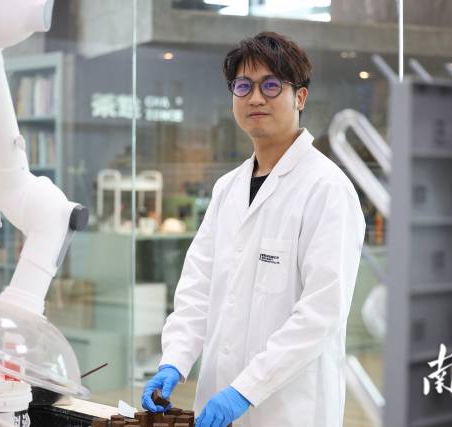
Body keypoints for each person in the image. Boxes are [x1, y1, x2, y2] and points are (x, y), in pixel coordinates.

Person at [142, 31, 366, 427]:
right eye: (243, 86)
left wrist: (246, 389)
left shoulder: (327, 189)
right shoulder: (227, 189)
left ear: (300, 97)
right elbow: (197, 288)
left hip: (289, 410)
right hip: (217, 399)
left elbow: (321, 313)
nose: (255, 98)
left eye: (271, 85)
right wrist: (174, 360)